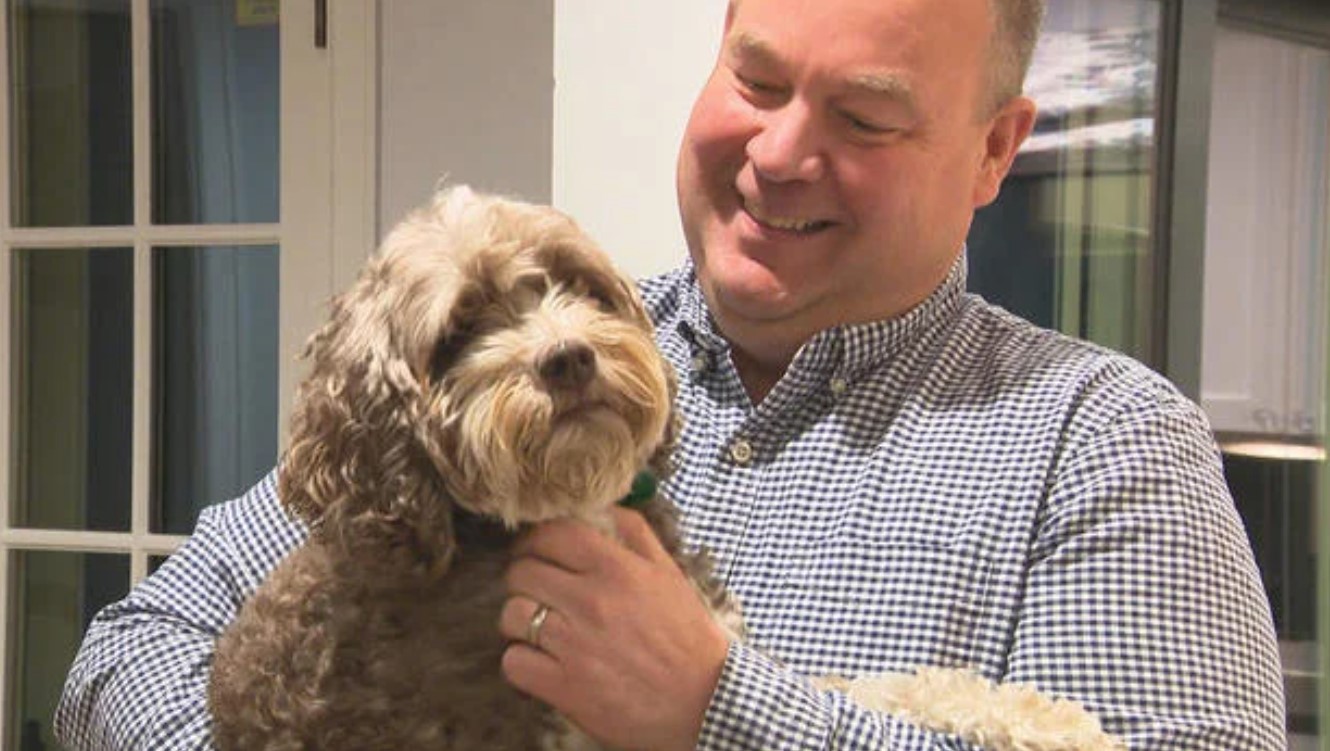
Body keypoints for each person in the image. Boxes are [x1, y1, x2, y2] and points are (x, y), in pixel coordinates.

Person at [56, 0, 1285, 748]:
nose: (780, 153)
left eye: (865, 118)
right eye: (754, 81)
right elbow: (123, 653)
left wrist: (716, 710)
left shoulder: (1106, 442)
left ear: (993, 149)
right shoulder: (480, 399)